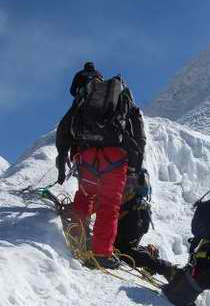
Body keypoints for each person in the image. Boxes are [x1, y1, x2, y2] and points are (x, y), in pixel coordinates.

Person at [56, 65, 145, 269]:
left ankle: (77, 236)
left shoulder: (83, 98)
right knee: (109, 204)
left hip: (86, 152)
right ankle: (101, 254)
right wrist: (136, 165)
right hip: (115, 155)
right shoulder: (119, 93)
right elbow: (137, 129)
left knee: (86, 193)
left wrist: (62, 157)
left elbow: (65, 127)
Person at [113, 168, 179, 280]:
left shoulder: (132, 206)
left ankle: (167, 269)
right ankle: (153, 255)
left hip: (120, 246)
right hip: (125, 243)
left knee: (133, 254)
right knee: (133, 251)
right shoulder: (139, 205)